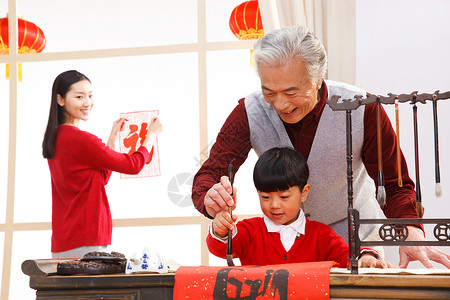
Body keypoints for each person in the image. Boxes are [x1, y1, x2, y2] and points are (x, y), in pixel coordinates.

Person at [193, 25, 450, 269]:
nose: (280, 104)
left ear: (318, 79)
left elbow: (394, 185)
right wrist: (210, 197)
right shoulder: (249, 112)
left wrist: (410, 229)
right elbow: (208, 176)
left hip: (354, 241)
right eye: (269, 92)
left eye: (291, 92)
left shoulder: (363, 108)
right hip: (283, 245)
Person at [42, 70, 162, 258]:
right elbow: (133, 165)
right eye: (79, 96)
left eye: (90, 95)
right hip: (87, 239)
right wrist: (151, 136)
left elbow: (100, 178)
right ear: (60, 100)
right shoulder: (81, 140)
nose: (87, 102)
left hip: (63, 241)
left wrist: (112, 139)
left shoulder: (56, 138)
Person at [207, 147, 394, 268]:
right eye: (265, 197)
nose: (274, 205)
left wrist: (366, 259)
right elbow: (220, 248)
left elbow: (348, 258)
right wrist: (220, 229)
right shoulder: (249, 230)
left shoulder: (322, 235)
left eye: (284, 196)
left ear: (304, 193)